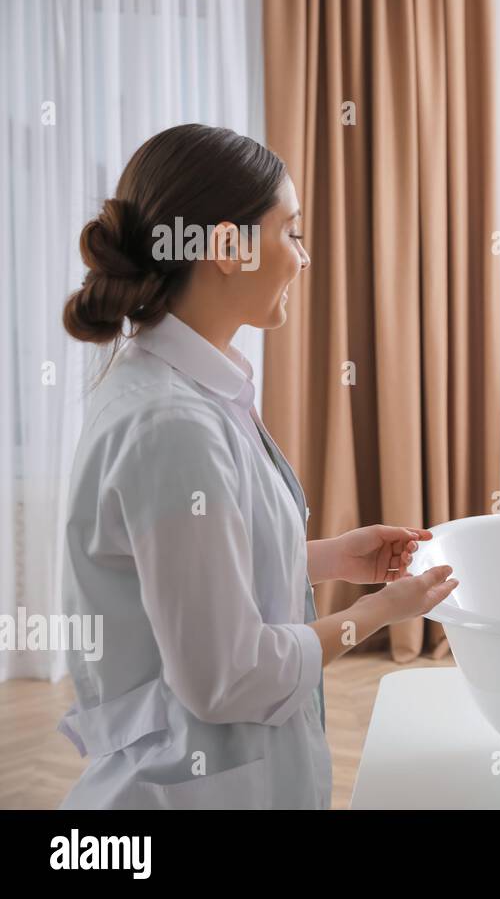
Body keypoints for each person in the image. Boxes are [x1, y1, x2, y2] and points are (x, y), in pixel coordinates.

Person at [57, 124, 456, 808]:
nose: (303, 259)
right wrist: (383, 611)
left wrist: (329, 560)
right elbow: (228, 675)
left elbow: (192, 582)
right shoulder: (173, 423)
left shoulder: (184, 390)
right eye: (292, 233)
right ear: (227, 247)